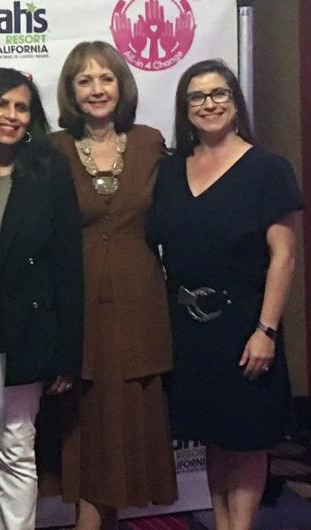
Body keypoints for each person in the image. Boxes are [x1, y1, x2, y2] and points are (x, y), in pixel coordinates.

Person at [147, 59, 301, 530]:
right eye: (197, 96)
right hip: (190, 332)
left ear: (235, 104)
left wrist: (265, 330)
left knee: (248, 440)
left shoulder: (269, 169)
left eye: (219, 94)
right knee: (213, 437)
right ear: (185, 107)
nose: (208, 103)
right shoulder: (170, 172)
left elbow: (285, 257)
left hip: (246, 327)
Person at [45, 41, 178, 529]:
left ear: (122, 85)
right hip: (78, 304)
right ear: (71, 91)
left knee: (126, 422)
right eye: (85, 80)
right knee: (85, 422)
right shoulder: (53, 149)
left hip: (140, 304)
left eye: (106, 78)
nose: (97, 89)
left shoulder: (149, 142)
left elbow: (179, 218)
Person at [0, 67, 82, 530]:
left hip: (24, 338)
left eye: (21, 107)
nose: (10, 116)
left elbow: (69, 265)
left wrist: (67, 352)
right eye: (0, 104)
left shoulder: (49, 172)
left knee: (14, 449)